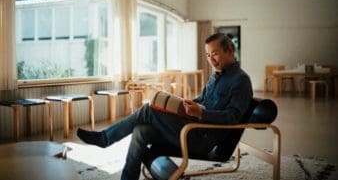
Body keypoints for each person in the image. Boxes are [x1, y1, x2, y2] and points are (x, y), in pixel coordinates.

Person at [77, 33, 253, 180]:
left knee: (148, 109)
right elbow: (203, 99)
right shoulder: (216, 76)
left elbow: (232, 117)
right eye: (207, 55)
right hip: (192, 128)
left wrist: (201, 113)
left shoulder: (241, 80)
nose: (211, 60)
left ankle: (105, 138)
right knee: (141, 130)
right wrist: (188, 104)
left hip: (202, 138)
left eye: (214, 54)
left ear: (229, 51)